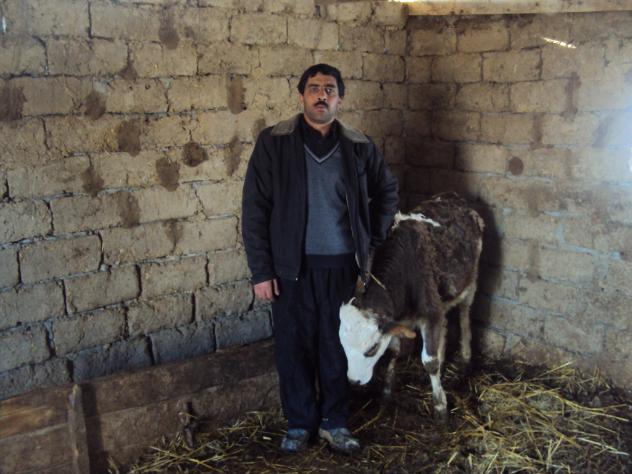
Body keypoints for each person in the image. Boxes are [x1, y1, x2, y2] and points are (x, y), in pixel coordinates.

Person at [241, 64, 398, 454]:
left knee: (336, 346)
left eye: (330, 89)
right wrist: (261, 270)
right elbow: (255, 208)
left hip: (342, 268)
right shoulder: (274, 142)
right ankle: (299, 423)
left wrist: (372, 240)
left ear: (339, 99)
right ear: (301, 96)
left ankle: (334, 422)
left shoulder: (359, 145)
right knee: (292, 347)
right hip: (289, 269)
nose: (321, 95)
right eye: (314, 88)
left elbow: (387, 192)